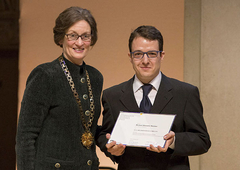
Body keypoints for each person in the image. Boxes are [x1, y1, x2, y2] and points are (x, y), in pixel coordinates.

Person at [96, 25, 211, 170]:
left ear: (161, 55)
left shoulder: (186, 93)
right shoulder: (112, 95)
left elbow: (202, 140)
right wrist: (112, 150)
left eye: (151, 53)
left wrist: (174, 141)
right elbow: (104, 135)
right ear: (130, 57)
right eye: (138, 54)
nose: (145, 60)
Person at [15, 7, 103, 170]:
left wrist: (112, 140)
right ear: (61, 38)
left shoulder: (96, 77)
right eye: (72, 36)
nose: (79, 42)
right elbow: (26, 135)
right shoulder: (44, 75)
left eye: (85, 36)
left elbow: (86, 127)